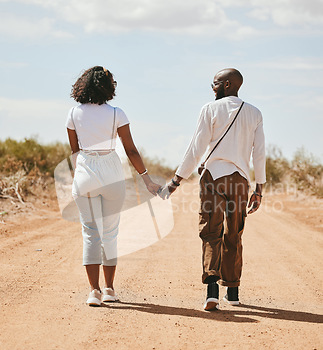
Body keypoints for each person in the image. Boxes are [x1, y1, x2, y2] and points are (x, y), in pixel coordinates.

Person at [161, 68, 266, 311]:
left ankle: (212, 291)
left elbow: (196, 148)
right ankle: (233, 291)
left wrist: (176, 181)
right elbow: (258, 153)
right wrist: (258, 189)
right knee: (234, 232)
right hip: (240, 181)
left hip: (213, 178)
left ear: (228, 84)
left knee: (211, 231)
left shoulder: (209, 109)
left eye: (216, 83)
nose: (213, 87)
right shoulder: (255, 113)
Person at [66, 66, 161, 306]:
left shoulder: (74, 114)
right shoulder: (117, 113)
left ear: (83, 85)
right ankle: (109, 289)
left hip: (85, 170)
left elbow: (75, 151)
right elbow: (130, 150)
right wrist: (147, 179)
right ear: (109, 87)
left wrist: (79, 177)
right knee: (110, 233)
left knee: (90, 233)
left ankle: (93, 292)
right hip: (111, 171)